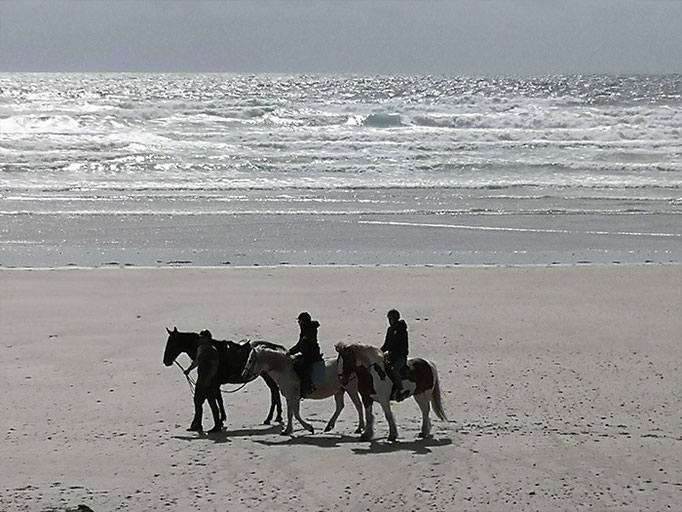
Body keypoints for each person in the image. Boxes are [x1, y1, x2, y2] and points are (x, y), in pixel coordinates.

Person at [287, 312, 323, 397]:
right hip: (307, 353)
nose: (299, 323)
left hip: (311, 354)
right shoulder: (305, 329)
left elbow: (302, 345)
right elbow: (300, 343)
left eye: (300, 321)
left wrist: (291, 352)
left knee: (299, 366)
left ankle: (307, 386)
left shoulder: (309, 330)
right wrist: (291, 351)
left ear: (304, 322)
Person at [381, 309, 409, 401]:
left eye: (391, 319)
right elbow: (386, 345)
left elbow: (403, 347)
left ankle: (400, 391)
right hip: (391, 356)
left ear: (396, 318)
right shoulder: (390, 330)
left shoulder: (402, 330)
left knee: (394, 370)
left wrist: (392, 354)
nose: (389, 321)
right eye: (388, 319)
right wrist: (379, 352)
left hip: (400, 357)